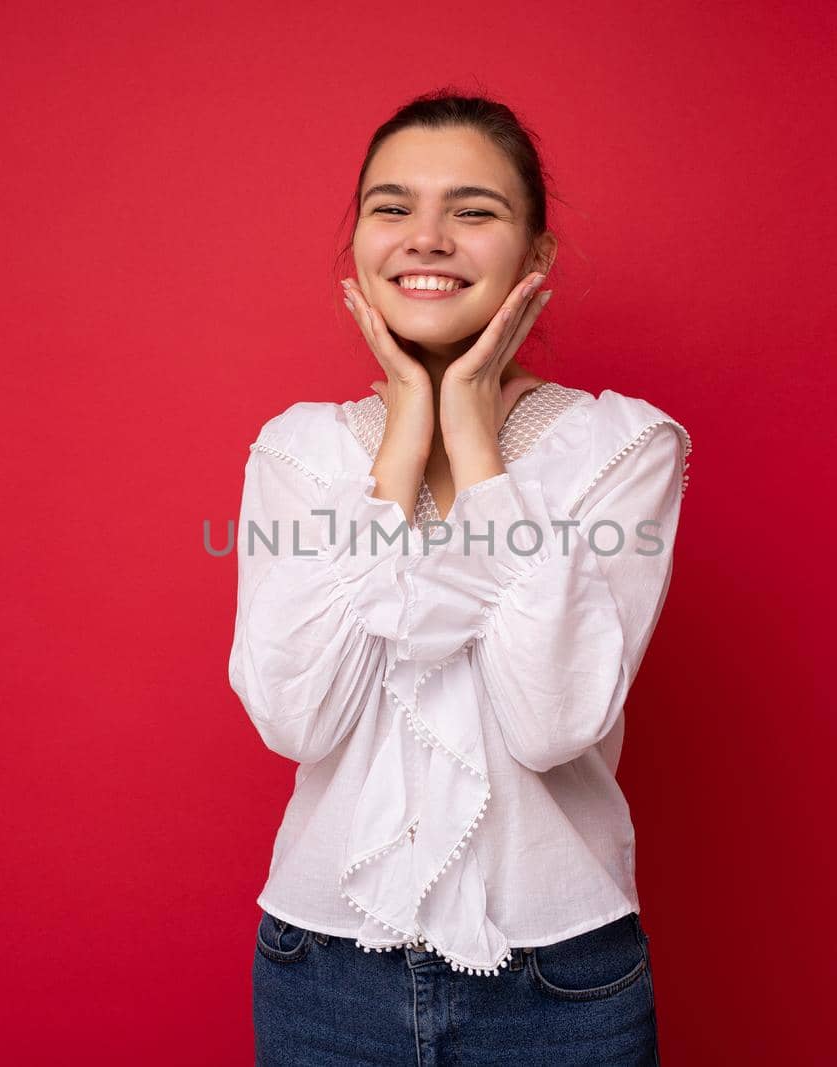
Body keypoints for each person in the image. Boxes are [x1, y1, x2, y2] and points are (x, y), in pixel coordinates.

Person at [229, 89, 690, 1066]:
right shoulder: (299, 452)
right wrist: (402, 437)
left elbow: (549, 721)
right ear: (356, 242)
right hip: (319, 973)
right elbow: (295, 721)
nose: (425, 237)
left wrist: (472, 430)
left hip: (560, 984)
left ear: (535, 257)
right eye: (391, 207)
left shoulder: (622, 447)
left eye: (473, 210)